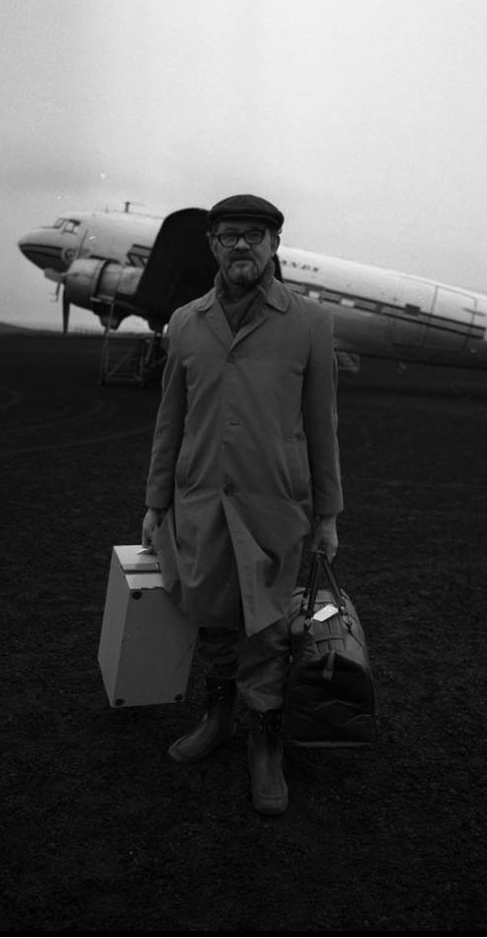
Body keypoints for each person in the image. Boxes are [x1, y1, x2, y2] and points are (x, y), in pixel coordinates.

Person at [141, 193, 343, 815]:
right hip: (199, 499)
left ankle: (265, 743)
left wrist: (328, 515)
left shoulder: (309, 324)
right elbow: (170, 419)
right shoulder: (186, 322)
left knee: (269, 628)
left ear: (275, 246)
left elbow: (323, 425)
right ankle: (218, 716)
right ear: (213, 245)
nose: (241, 247)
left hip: (275, 504)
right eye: (229, 235)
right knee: (213, 616)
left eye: (255, 236)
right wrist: (155, 503)